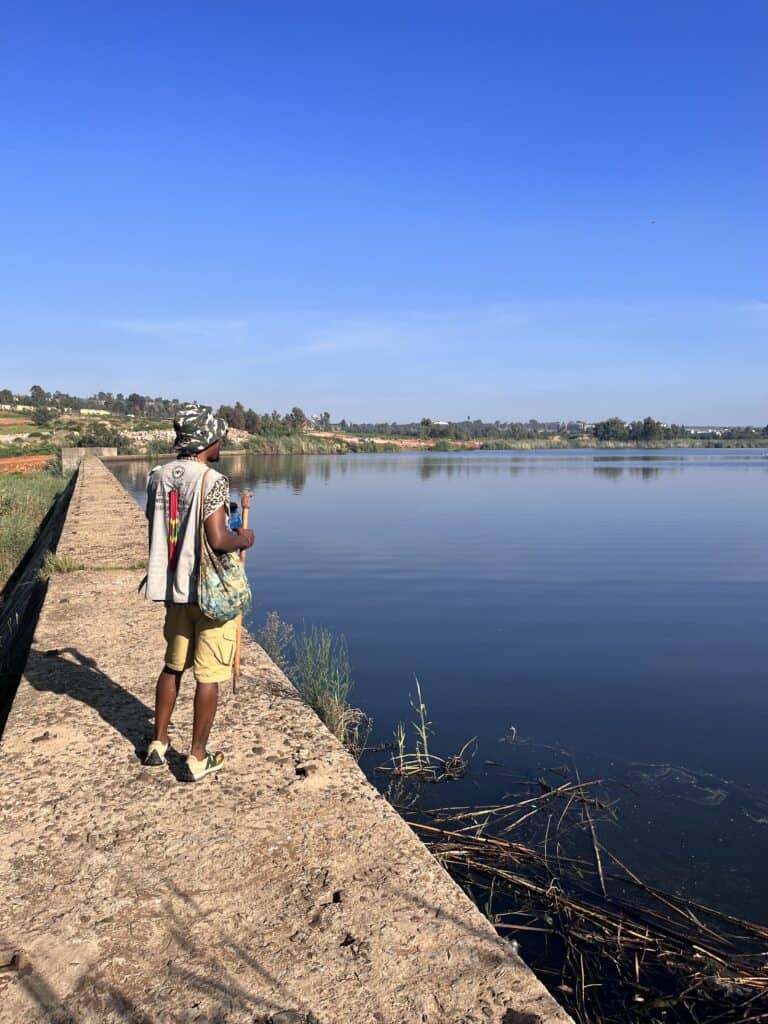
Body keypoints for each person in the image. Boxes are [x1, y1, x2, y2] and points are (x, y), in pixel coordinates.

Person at [143, 404, 254, 781]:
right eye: (220, 435)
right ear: (209, 439)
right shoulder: (213, 480)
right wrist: (246, 536)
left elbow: (167, 523)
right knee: (209, 676)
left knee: (172, 666)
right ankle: (197, 756)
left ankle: (157, 743)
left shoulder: (157, 476)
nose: (223, 441)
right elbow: (218, 538)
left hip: (174, 591)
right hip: (208, 597)